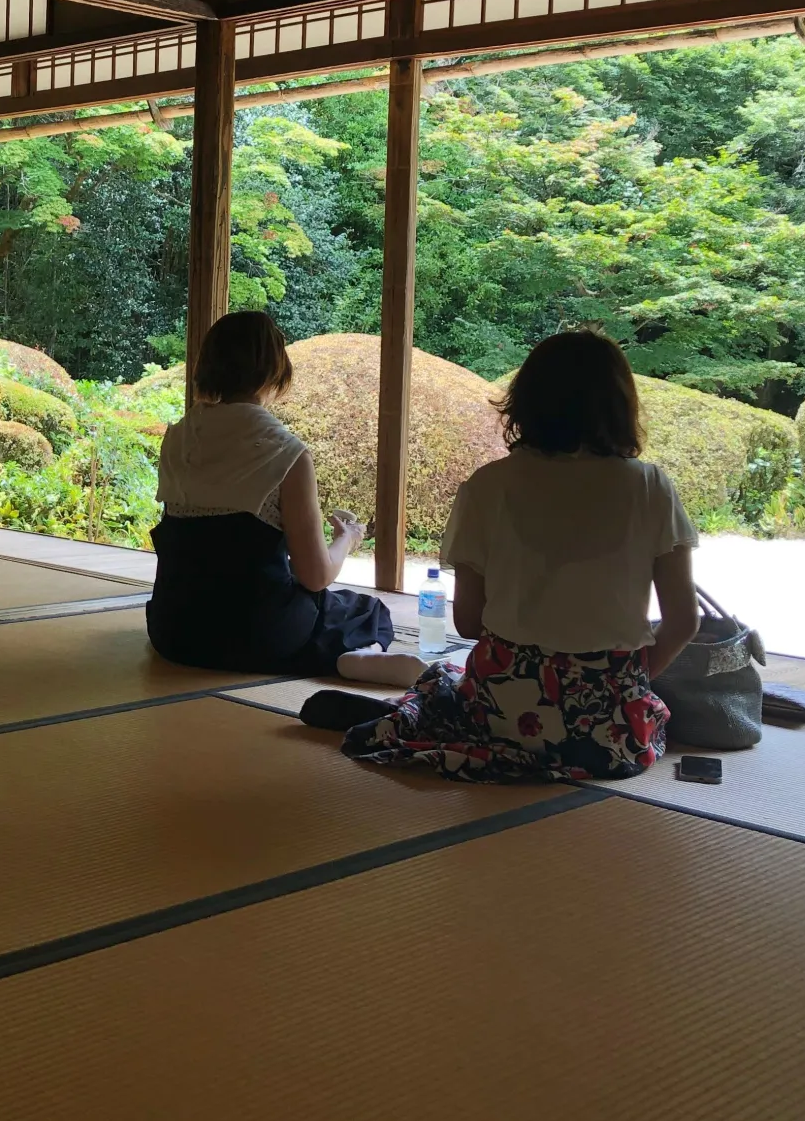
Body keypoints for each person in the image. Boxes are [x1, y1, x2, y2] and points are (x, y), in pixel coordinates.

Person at [306, 329, 698, 782]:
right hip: (610, 738)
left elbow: (470, 624)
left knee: (446, 683)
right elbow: (683, 622)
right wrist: (618, 683)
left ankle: (405, 707)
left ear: (525, 402)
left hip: (501, 714)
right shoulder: (650, 487)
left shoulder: (489, 486)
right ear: (620, 403)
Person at [147, 311, 419, 684]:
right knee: (360, 610)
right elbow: (316, 576)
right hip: (256, 633)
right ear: (274, 372)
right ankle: (352, 658)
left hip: (174, 630)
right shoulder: (285, 452)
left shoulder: (177, 437)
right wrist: (347, 539)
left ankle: (343, 656)